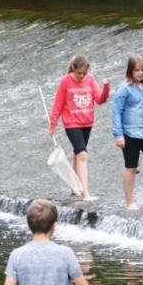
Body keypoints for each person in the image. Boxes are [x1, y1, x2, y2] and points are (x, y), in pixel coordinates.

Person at [49, 55, 110, 201]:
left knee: (78, 154)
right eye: (79, 73)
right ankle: (85, 192)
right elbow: (58, 104)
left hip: (87, 123)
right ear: (73, 69)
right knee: (82, 155)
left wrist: (106, 88)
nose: (82, 76)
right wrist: (53, 124)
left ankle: (73, 186)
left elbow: (100, 99)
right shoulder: (65, 81)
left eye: (84, 73)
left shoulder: (90, 79)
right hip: (71, 123)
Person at [111, 55, 143, 210]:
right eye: (137, 70)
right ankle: (130, 202)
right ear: (130, 71)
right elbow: (116, 112)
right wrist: (118, 135)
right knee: (131, 167)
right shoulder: (124, 89)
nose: (140, 73)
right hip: (130, 134)